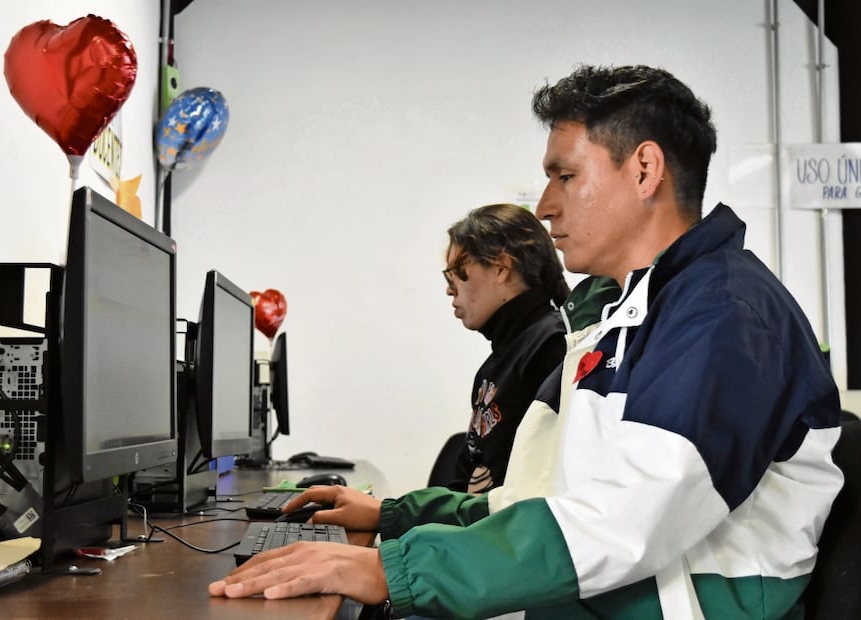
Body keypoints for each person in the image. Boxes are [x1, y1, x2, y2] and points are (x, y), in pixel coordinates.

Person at [209, 64, 843, 619]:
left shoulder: (724, 316)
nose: (543, 206)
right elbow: (543, 498)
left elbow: (624, 523)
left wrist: (396, 569)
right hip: (598, 595)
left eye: (564, 176)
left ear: (645, 169)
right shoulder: (625, 314)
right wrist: (397, 518)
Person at [439, 203, 569, 493]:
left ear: (500, 269)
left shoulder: (551, 347)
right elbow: (463, 480)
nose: (450, 289)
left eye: (457, 273)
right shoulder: (500, 360)